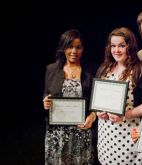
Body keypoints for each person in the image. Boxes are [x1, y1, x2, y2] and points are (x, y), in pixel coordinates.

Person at [96, 27, 142, 164]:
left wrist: (125, 115)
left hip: (129, 133)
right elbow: (98, 96)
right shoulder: (104, 68)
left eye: (122, 46)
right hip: (106, 132)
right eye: (113, 46)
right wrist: (98, 111)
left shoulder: (141, 70)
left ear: (130, 47)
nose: (116, 50)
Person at [42, 29, 97, 165]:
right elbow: (46, 93)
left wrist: (93, 115)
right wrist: (45, 102)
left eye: (78, 47)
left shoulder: (92, 70)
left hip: (82, 130)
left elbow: (97, 101)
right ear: (63, 48)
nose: (74, 51)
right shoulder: (51, 69)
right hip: (57, 134)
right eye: (70, 46)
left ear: (83, 49)